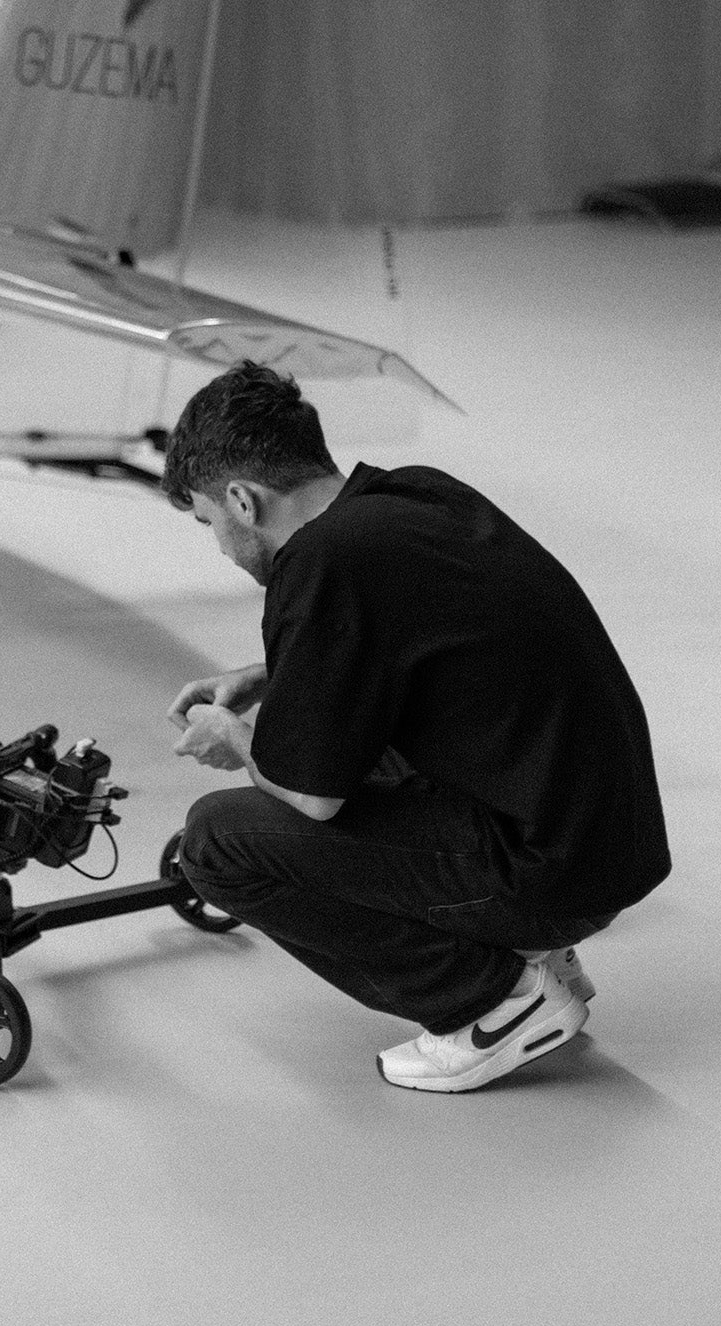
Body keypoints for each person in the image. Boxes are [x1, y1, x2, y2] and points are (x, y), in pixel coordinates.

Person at [164, 361, 670, 1092]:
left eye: (209, 521)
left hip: (546, 870)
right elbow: (406, 642)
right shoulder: (411, 496)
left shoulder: (320, 564)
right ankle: (540, 951)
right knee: (364, 744)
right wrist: (267, 675)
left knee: (217, 841)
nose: (217, 543)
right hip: (605, 840)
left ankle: (492, 1002)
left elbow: (312, 799)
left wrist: (234, 736)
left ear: (242, 500)